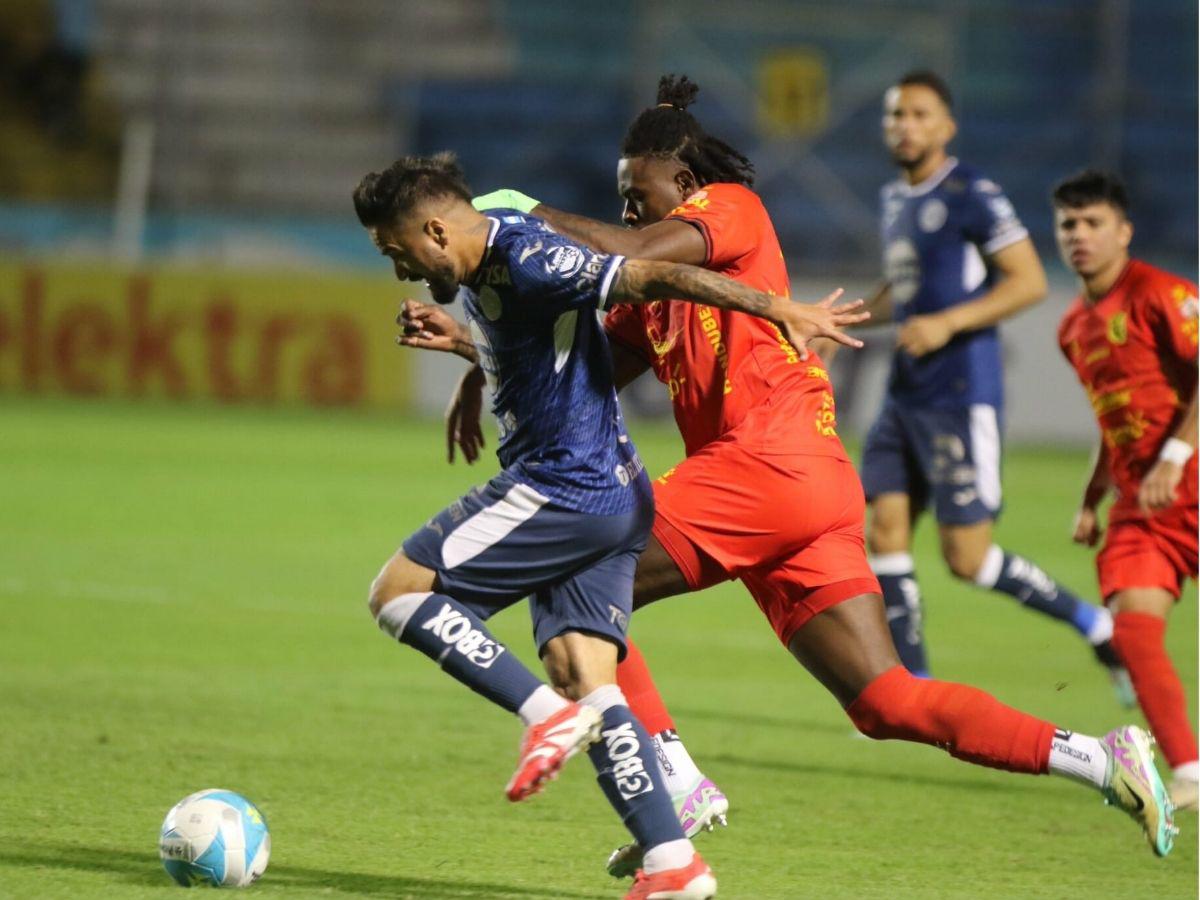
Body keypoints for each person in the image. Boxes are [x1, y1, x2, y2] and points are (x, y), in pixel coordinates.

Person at [398, 76, 1177, 868]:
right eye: (621, 197)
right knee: (884, 700)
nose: (630, 210)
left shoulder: (730, 206)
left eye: (640, 193)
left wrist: (513, 212)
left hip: (768, 463)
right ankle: (1100, 757)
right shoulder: (651, 300)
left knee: (577, 567)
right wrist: (474, 353)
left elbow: (628, 251)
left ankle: (674, 781)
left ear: (687, 184)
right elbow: (591, 368)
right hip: (799, 486)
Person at [356, 151, 867, 899]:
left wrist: (775, 307)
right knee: (586, 677)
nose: (399, 269)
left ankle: (540, 720)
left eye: (397, 251)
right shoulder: (486, 259)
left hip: (564, 488)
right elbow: (547, 350)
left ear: (434, 229)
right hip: (612, 496)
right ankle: (673, 864)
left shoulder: (527, 256)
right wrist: (467, 351)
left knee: (398, 593)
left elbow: (653, 276)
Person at [859, 70, 1128, 694]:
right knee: (884, 530)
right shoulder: (894, 198)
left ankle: (1093, 622)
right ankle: (914, 688)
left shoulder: (972, 193)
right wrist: (835, 322)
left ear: (946, 126)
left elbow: (1028, 280)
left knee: (967, 560)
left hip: (959, 392)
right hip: (905, 392)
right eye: (897, 114)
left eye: (920, 114)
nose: (906, 125)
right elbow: (902, 293)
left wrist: (947, 322)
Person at [1053, 169, 1199, 811]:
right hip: (1143, 504)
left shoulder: (1162, 293)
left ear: (1124, 231)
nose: (1079, 236)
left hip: (1187, 476)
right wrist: (1091, 495)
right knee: (1133, 632)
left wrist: (1176, 453)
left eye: (1093, 223)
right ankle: (1190, 771)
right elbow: (1111, 417)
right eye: (1069, 225)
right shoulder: (1071, 328)